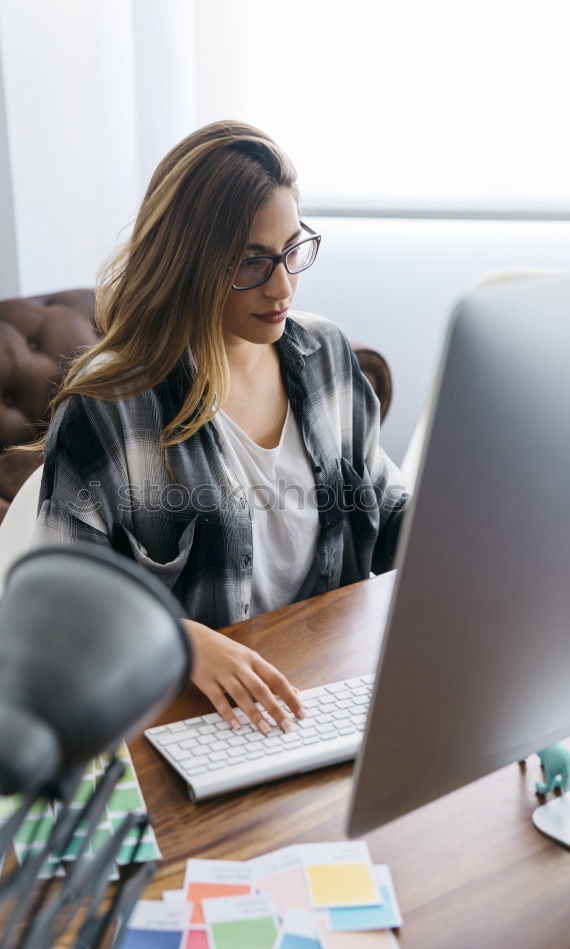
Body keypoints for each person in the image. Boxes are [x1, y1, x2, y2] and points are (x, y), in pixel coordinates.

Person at [32, 120, 408, 737]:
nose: (282, 285)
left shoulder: (326, 357)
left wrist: (476, 550)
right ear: (186, 262)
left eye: (292, 251)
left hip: (328, 688)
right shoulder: (112, 408)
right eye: (251, 263)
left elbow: (388, 510)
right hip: (191, 718)